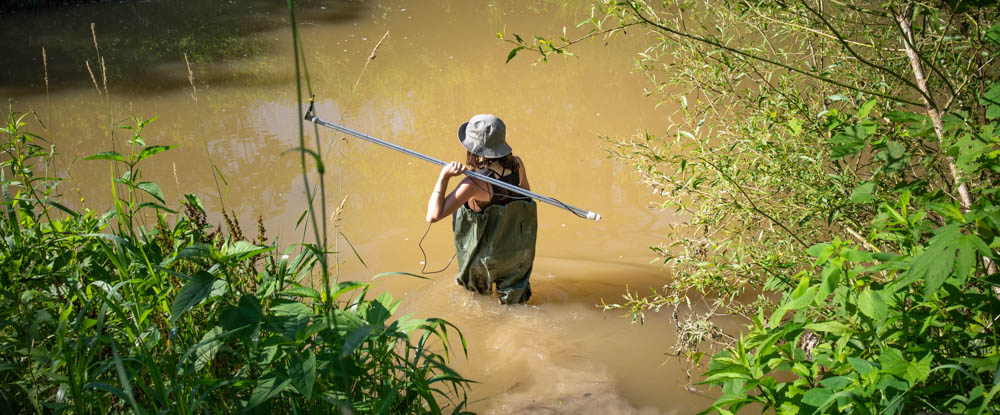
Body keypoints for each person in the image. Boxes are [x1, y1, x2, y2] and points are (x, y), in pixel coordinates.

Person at [425, 114, 538, 304]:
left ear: (473, 149)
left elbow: (433, 215)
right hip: (515, 251)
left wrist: (443, 176)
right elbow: (525, 197)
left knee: (476, 301)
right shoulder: (518, 164)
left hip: (485, 257)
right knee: (515, 305)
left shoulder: (474, 182)